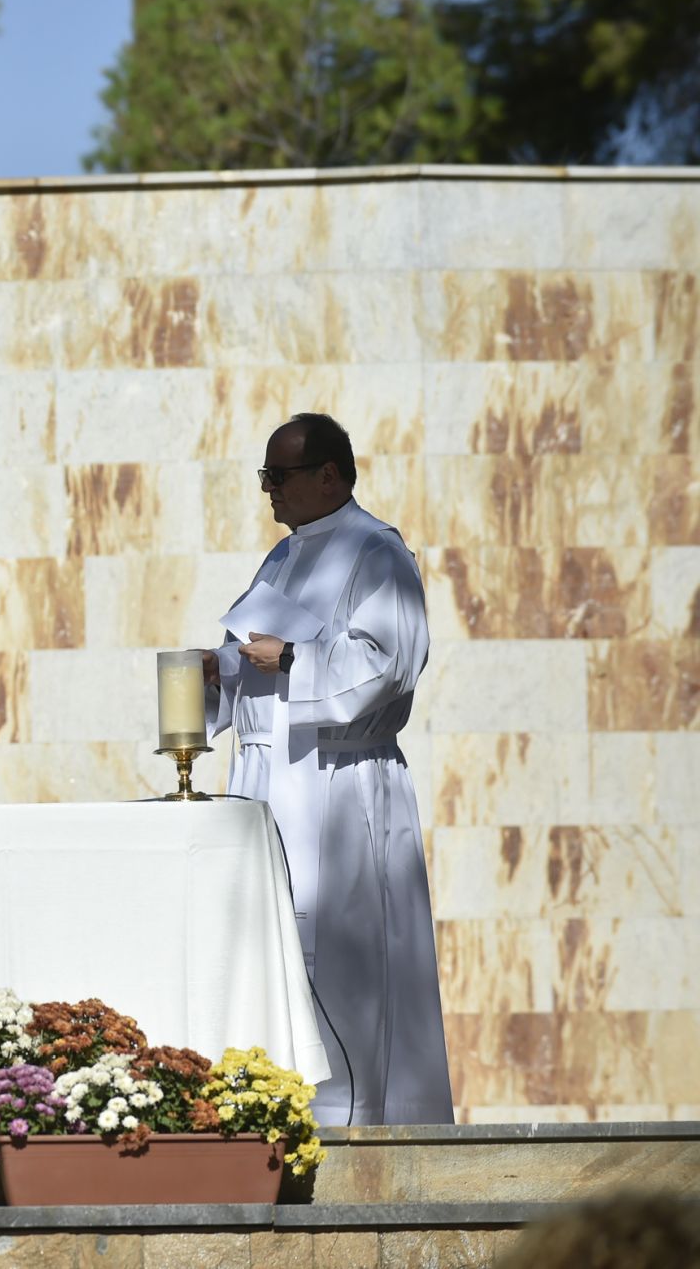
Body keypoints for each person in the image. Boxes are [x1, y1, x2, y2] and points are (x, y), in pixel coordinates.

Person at [200, 412, 452, 1124]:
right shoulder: (281, 558)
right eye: (264, 477)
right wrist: (217, 671)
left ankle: (353, 1120)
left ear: (329, 476)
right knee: (269, 957)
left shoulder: (377, 552)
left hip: (335, 788)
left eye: (277, 477)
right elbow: (253, 655)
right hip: (268, 781)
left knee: (340, 967)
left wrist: (295, 660)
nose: (268, 492)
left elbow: (389, 663)